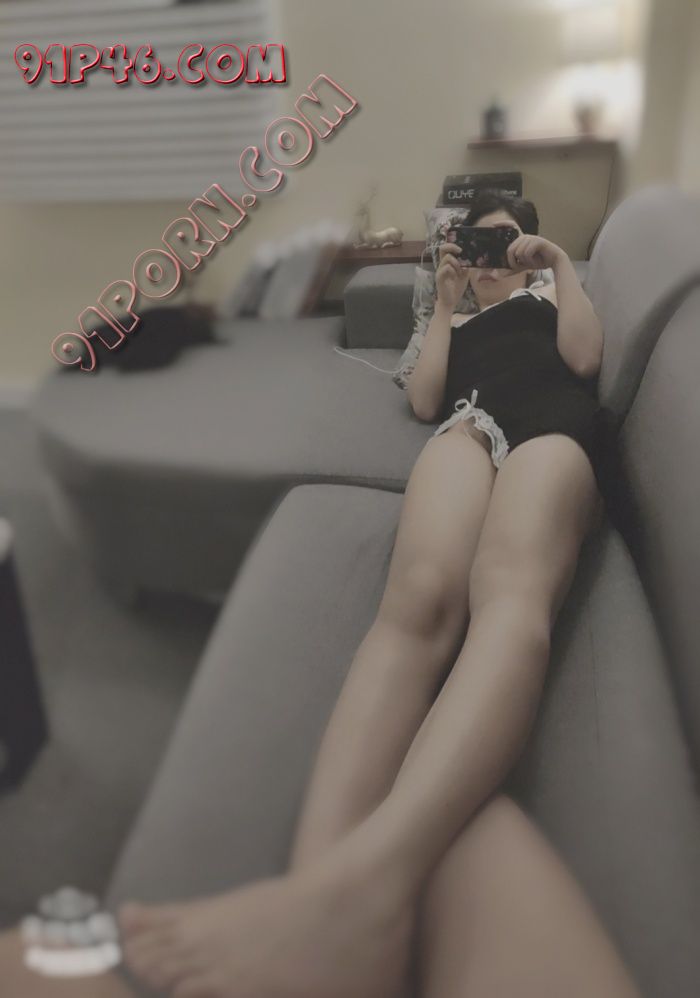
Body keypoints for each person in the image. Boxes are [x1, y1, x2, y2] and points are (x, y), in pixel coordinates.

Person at [118, 191, 642, 998]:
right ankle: (315, 900)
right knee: (416, 604)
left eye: (506, 241)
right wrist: (446, 302)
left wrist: (558, 267)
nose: (492, 256)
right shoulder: (455, 315)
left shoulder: (551, 295)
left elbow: (584, 360)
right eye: (478, 244)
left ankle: (360, 888)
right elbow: (425, 400)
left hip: (552, 423)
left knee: (508, 589)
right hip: (468, 425)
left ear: (530, 243)